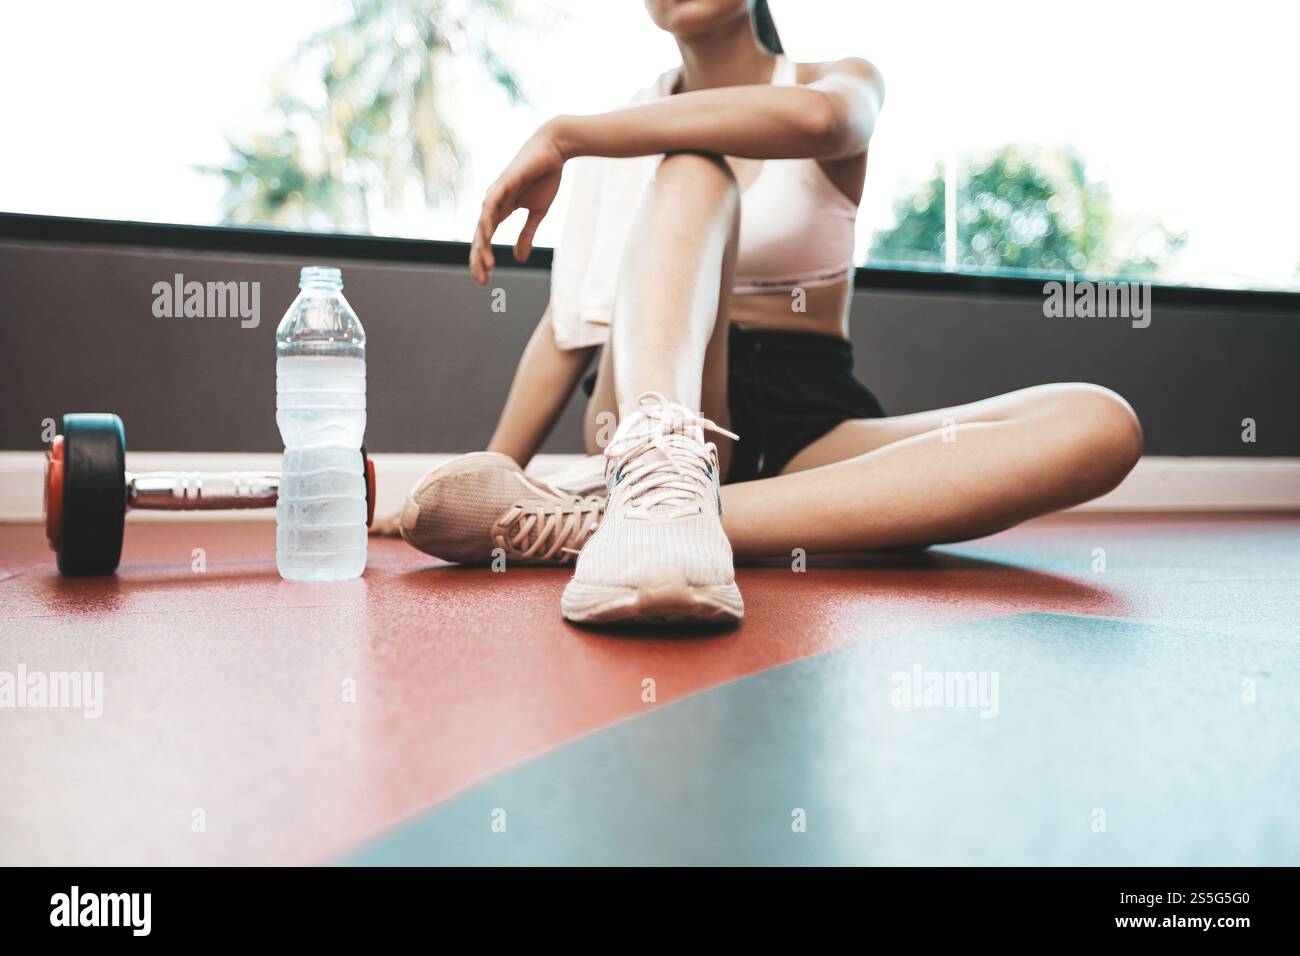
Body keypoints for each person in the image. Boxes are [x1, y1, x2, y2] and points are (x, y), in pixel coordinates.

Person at [396, 0, 1143, 625]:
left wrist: (566, 136)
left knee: (1100, 422)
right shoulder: (632, 126)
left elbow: (822, 123)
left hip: (814, 428)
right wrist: (486, 474)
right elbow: (567, 330)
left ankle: (619, 522)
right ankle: (657, 481)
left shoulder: (835, 82)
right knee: (694, 166)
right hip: (664, 400)